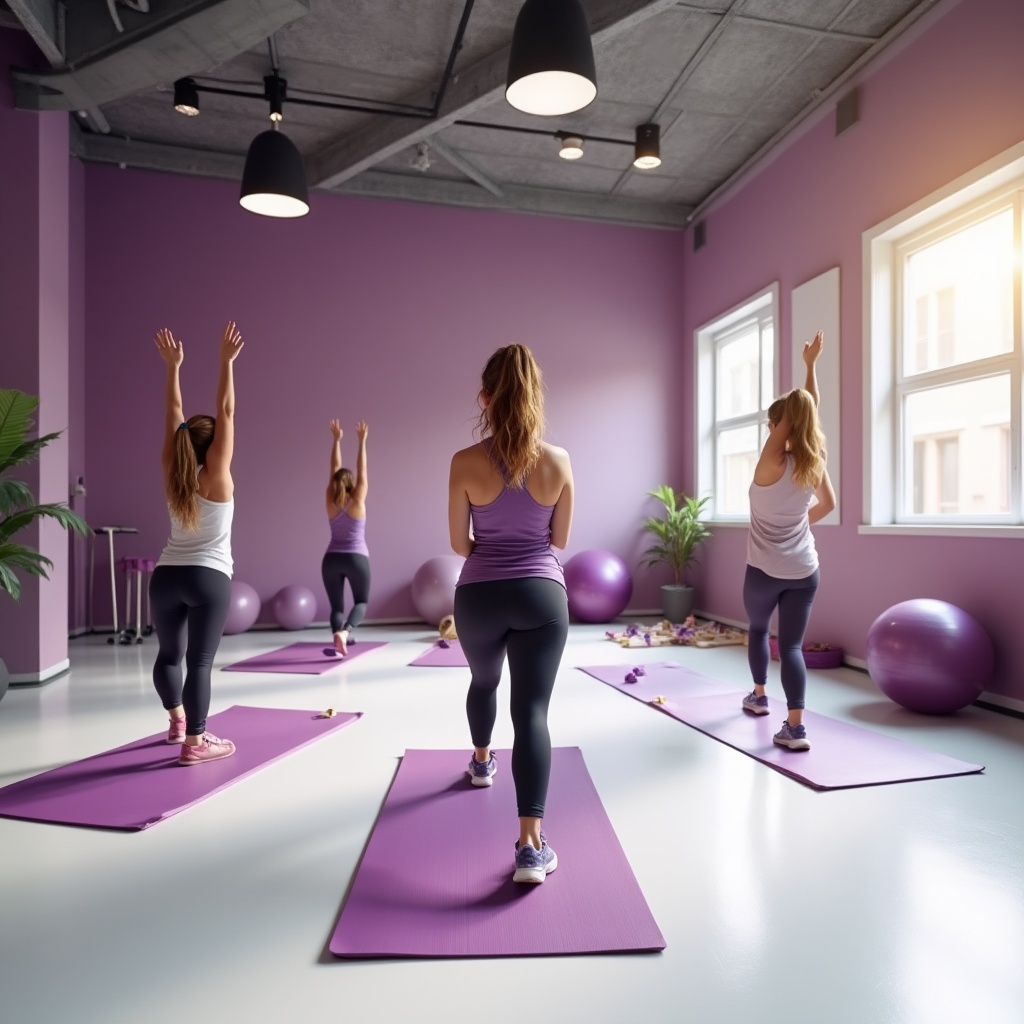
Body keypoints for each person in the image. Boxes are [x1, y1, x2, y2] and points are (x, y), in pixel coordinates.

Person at [448, 343, 574, 885]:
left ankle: (481, 762)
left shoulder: (464, 462)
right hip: (541, 597)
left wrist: (494, 548)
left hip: (478, 595)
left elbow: (460, 543)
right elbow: (560, 539)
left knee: (484, 680)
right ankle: (530, 846)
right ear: (535, 399)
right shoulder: (559, 461)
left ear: (485, 398)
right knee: (533, 714)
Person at [150, 322, 243, 766]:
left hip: (166, 576)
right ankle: (196, 744)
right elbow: (226, 412)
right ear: (213, 449)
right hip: (209, 579)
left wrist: (173, 368)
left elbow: (174, 412)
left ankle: (176, 723)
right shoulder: (217, 476)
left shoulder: (174, 472)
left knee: (170, 655)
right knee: (199, 662)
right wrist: (226, 362)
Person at [742, 330, 835, 751]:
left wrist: (806, 377)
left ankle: (760, 697)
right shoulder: (813, 463)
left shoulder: (770, 463)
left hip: (763, 571)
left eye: (772, 423)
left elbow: (798, 417)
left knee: (759, 631)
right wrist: (811, 367)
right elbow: (828, 505)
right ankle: (795, 728)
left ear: (779, 425)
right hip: (804, 570)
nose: (770, 427)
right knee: (792, 646)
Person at [321, 419, 370, 657]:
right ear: (351, 484)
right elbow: (362, 471)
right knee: (361, 602)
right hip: (356, 558)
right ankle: (346, 632)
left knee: (336, 607)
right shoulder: (358, 498)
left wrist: (336, 440)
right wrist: (362, 441)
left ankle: (337, 638)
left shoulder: (330, 498)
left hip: (331, 559)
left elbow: (334, 469)